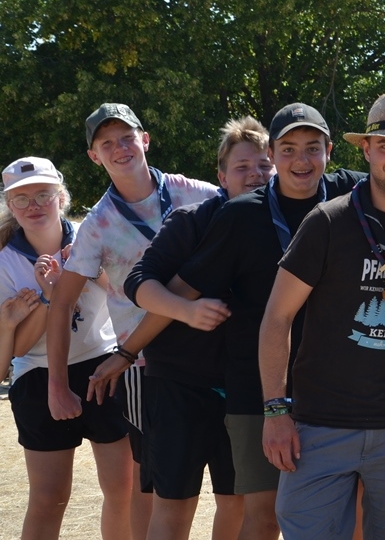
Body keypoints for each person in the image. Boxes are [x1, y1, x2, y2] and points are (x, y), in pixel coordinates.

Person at [260, 93, 385, 539]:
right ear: (366, 149)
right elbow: (277, 317)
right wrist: (275, 411)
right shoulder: (327, 223)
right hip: (320, 425)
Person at [164, 103, 364, 539]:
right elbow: (184, 288)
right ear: (272, 154)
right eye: (288, 149)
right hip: (257, 390)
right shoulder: (240, 215)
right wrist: (128, 349)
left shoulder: (353, 197)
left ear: (329, 151)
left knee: (348, 514)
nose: (301, 160)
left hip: (336, 390)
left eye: (312, 148)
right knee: (264, 517)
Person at [87, 116, 276, 540]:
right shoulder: (191, 220)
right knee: (173, 505)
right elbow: (139, 284)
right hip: (179, 384)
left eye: (264, 165)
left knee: (238, 502)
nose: (255, 174)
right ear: (221, 177)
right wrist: (184, 311)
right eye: (242, 167)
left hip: (248, 388)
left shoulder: (289, 225)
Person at [46, 103, 220, 539]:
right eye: (107, 143)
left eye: (127, 137)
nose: (120, 148)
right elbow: (62, 303)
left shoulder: (195, 192)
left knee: (231, 484)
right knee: (153, 484)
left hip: (214, 349)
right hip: (145, 364)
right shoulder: (98, 224)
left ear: (145, 139)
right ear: (94, 156)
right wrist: (57, 385)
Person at [1, 156, 133, 539]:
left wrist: (86, 269)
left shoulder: (93, 235)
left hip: (103, 365)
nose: (34, 206)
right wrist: (50, 298)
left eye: (43, 195)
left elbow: (125, 294)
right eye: (21, 199)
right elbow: (17, 347)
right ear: (10, 206)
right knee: (50, 497)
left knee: (123, 490)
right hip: (37, 376)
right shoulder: (5, 261)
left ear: (61, 197)